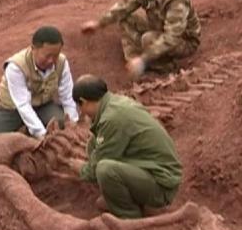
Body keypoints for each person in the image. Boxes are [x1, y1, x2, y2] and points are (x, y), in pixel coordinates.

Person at [64, 75, 182, 219]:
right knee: (93, 144)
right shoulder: (116, 102)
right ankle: (120, 198)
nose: (82, 112)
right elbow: (98, 144)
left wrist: (81, 169)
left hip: (162, 184)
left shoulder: (112, 118)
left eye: (80, 107)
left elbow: (95, 169)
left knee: (104, 170)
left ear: (84, 101)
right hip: (154, 169)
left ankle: (129, 216)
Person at [81, 0, 201, 79]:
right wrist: (99, 23)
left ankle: (165, 67)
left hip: (184, 41)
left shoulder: (176, 0)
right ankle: (134, 64)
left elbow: (172, 38)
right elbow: (124, 6)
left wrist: (144, 58)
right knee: (125, 18)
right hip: (158, 29)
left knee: (148, 39)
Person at [0, 26, 79, 139]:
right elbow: (22, 105)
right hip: (10, 109)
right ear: (33, 49)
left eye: (56, 56)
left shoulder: (62, 62)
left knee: (62, 123)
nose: (51, 60)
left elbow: (68, 98)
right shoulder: (16, 66)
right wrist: (42, 134)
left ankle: (30, 132)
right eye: (47, 56)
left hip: (42, 106)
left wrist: (73, 125)